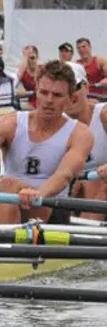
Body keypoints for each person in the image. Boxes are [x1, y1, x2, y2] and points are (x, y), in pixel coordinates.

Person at [0, 60, 93, 224]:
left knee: (7, 183)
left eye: (57, 95)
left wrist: (38, 194)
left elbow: (64, 175)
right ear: (36, 91)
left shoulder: (80, 133)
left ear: (71, 98)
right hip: (11, 201)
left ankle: (5, 246)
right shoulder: (9, 123)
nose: (49, 100)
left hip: (51, 206)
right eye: (44, 92)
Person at [63, 62, 107, 221]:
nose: (71, 95)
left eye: (75, 87)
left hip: (101, 187)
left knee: (97, 186)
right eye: (63, 91)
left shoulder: (103, 114)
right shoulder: (54, 124)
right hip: (78, 190)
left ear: (86, 88)